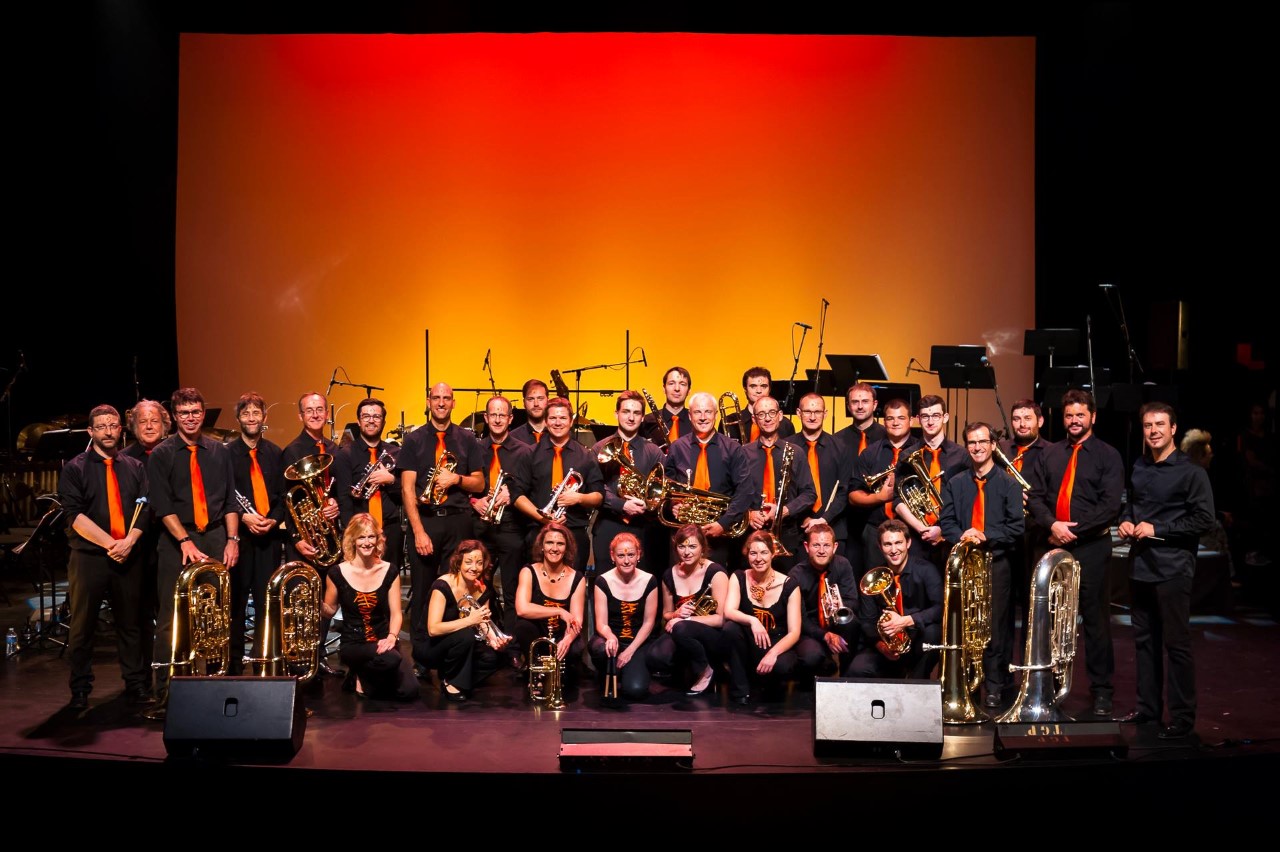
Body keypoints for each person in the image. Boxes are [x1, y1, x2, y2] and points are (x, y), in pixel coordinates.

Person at [1118, 402, 1215, 739]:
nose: (1153, 431)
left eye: (1160, 424)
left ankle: (1183, 718)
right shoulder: (1140, 467)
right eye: (1148, 425)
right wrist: (1126, 521)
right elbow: (1130, 505)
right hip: (1140, 567)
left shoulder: (1192, 472)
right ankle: (1148, 710)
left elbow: (1204, 519)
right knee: (1144, 643)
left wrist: (1156, 527)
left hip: (1173, 568)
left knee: (1176, 644)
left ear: (1174, 429)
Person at [1026, 388, 1124, 717]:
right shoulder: (1050, 454)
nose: (1074, 421)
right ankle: (1050, 688)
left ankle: (1101, 692)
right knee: (1052, 621)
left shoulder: (1108, 455)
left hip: (1092, 548)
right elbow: (1035, 497)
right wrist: (1053, 524)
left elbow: (1111, 507)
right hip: (1052, 546)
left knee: (1095, 622)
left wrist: (1072, 531)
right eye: (1069, 415)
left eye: (1080, 415)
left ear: (1093, 417)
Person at [147, 387, 239, 703]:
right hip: (177, 538)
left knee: (214, 614)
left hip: (215, 535)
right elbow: (161, 504)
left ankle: (214, 682)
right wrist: (184, 541)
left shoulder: (220, 451)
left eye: (196, 412)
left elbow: (229, 501)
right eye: (184, 413)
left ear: (203, 413)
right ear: (174, 416)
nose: (191, 418)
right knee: (172, 616)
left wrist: (232, 540)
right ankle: (164, 688)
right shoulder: (161, 454)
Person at [59, 405, 152, 710]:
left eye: (113, 426)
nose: (109, 431)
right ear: (91, 432)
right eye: (101, 427)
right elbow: (74, 515)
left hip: (128, 555)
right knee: (83, 625)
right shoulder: (75, 468)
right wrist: (112, 544)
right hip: (90, 558)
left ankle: (136, 684)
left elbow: (145, 510)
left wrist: (130, 541)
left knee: (131, 624)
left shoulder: (135, 467)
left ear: (120, 429)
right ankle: (80, 689)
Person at [938, 421, 1025, 709]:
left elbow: (1016, 528)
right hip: (964, 563)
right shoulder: (956, 483)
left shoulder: (1008, 484)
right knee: (964, 624)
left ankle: (995, 685)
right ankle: (966, 681)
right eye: (971, 443)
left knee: (994, 627)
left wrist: (985, 536)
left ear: (992, 445)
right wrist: (963, 535)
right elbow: (946, 522)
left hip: (996, 563)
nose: (977, 447)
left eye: (982, 442)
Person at [399, 383, 484, 649]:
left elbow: (480, 484)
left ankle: (451, 648)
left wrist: (456, 479)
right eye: (436, 398)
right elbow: (406, 488)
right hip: (426, 520)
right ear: (428, 402)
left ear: (454, 403)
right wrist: (418, 531)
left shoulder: (467, 439)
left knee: (456, 588)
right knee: (423, 588)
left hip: (458, 520)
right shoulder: (413, 439)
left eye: (446, 398)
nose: (441, 403)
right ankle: (422, 653)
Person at [281, 390, 352, 675]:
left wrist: (335, 504)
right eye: (309, 410)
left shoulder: (335, 451)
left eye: (319, 409)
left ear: (326, 414)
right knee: (304, 599)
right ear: (300, 416)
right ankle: (301, 658)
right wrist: (297, 539)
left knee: (329, 600)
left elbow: (343, 493)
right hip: (305, 541)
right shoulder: (291, 451)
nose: (314, 414)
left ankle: (319, 654)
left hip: (330, 540)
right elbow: (286, 500)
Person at [322, 514, 418, 701]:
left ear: (377, 539)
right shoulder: (337, 572)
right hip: (353, 643)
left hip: (382, 639)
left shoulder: (389, 570)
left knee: (410, 691)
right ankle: (358, 671)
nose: (366, 542)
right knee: (391, 660)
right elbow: (330, 610)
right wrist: (316, 604)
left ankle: (358, 676)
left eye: (371, 536)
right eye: (361, 537)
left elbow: (396, 613)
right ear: (353, 540)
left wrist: (391, 637)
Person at [226, 392, 288, 674]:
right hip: (240, 538)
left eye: (256, 413)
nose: (251, 418)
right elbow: (224, 496)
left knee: (267, 602)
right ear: (238, 418)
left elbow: (282, 498)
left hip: (269, 539)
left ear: (264, 417)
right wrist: (243, 517)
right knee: (236, 603)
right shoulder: (226, 454)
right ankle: (234, 664)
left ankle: (263, 661)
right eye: (246, 413)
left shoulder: (276, 453)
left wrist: (273, 521)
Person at [511, 396, 604, 573]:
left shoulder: (586, 455)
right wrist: (541, 518)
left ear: (571, 421)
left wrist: (578, 498)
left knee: (572, 587)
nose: (558, 422)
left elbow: (599, 496)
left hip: (574, 532)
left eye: (562, 418)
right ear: (546, 421)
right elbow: (517, 495)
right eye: (553, 418)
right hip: (538, 532)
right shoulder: (530, 454)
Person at [663, 390, 752, 567]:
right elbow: (667, 485)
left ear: (715, 415)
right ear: (689, 415)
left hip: (719, 534)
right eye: (697, 412)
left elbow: (745, 490)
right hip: (683, 533)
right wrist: (674, 504)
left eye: (708, 412)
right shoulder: (677, 447)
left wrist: (723, 523)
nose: (703, 417)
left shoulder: (733, 449)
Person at [413, 538, 509, 701]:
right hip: (430, 646)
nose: (474, 567)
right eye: (469, 562)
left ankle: (453, 675)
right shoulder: (443, 585)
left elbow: (482, 621)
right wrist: (471, 620)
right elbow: (433, 629)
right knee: (466, 636)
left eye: (479, 563)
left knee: (499, 656)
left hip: (459, 645)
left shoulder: (483, 588)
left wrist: (494, 639)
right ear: (459, 563)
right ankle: (452, 681)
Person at [846, 519, 944, 679]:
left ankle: (916, 682)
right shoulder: (873, 577)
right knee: (857, 670)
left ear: (908, 543)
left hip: (918, 641)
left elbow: (940, 608)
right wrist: (883, 647)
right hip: (888, 646)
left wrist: (907, 620)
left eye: (898, 543)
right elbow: (867, 622)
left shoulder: (926, 570)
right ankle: (895, 675)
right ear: (879, 546)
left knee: (934, 632)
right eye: (887, 544)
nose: (894, 550)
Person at [468, 394, 531, 635]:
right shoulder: (473, 449)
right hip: (481, 529)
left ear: (510, 419)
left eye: (502, 415)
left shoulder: (524, 452)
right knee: (478, 587)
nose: (497, 419)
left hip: (511, 528)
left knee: (513, 589)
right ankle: (485, 638)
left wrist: (512, 495)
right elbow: (462, 486)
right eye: (492, 414)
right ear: (485, 417)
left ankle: (513, 645)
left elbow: (531, 487)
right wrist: (474, 501)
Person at [645, 523, 729, 694]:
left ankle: (707, 669)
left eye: (692, 546)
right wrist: (675, 614)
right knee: (655, 656)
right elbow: (666, 614)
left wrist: (685, 620)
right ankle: (686, 668)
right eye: (681, 546)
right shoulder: (669, 574)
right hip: (681, 632)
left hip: (711, 634)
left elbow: (721, 619)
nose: (687, 552)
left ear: (702, 547)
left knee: (682, 628)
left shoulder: (716, 573)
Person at [590, 390, 667, 577]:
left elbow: (660, 490)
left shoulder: (654, 452)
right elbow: (595, 487)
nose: (631, 417)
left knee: (644, 584)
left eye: (636, 413)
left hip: (643, 526)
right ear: (616, 414)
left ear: (642, 418)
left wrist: (648, 503)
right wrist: (621, 504)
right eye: (626, 412)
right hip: (609, 523)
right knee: (605, 582)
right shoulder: (599, 448)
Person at [721, 530, 802, 704]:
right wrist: (753, 620)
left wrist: (773, 653)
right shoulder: (739, 576)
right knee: (730, 628)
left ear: (773, 554)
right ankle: (740, 691)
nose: (759, 558)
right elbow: (728, 611)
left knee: (782, 666)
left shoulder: (789, 584)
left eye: (764, 552)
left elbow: (794, 632)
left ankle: (768, 685)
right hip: (750, 643)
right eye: (753, 553)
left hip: (776, 643)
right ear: (747, 555)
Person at [121, 398, 169, 689]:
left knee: (169, 613)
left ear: (165, 425)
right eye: (143, 421)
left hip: (169, 542)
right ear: (133, 426)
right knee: (135, 614)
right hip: (137, 546)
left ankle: (171, 677)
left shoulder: (174, 453)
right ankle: (137, 680)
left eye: (155, 421)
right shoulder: (123, 458)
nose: (149, 426)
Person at [741, 395, 815, 571]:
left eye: (772, 413)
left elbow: (809, 493)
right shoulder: (743, 453)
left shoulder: (795, 453)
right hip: (751, 534)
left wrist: (783, 511)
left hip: (787, 535)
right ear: (754, 419)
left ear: (780, 416)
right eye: (761, 414)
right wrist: (748, 514)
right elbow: (733, 493)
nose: (767, 418)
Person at [895, 394, 967, 570]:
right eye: (925, 416)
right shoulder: (906, 455)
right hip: (917, 537)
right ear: (918, 419)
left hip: (950, 535)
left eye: (936, 415)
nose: (930, 421)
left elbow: (966, 500)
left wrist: (942, 529)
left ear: (945, 417)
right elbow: (898, 498)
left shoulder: (962, 455)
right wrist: (921, 528)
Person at [849, 398, 919, 575]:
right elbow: (853, 495)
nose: (895, 423)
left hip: (912, 531)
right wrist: (879, 497)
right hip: (876, 531)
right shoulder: (870, 453)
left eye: (901, 418)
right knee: (874, 585)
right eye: (890, 418)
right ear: (883, 421)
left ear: (911, 420)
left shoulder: (921, 451)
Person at [512, 522, 588, 683]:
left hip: (562, 634)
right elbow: (522, 609)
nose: (554, 548)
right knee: (522, 627)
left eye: (560, 543)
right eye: (549, 543)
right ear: (541, 546)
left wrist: (567, 640)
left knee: (574, 651)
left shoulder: (577, 578)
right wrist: (559, 611)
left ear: (566, 548)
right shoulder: (528, 571)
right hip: (537, 634)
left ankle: (561, 670)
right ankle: (535, 667)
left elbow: (577, 620)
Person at [589, 531, 659, 703]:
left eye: (631, 555)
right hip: (612, 640)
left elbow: (648, 622)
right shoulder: (602, 581)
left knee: (635, 690)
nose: (626, 560)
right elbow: (601, 623)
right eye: (621, 555)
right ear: (613, 556)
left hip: (637, 643)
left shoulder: (650, 580)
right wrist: (610, 636)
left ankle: (623, 672)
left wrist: (629, 651)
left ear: (638, 555)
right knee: (599, 648)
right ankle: (607, 671)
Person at [341, 397, 404, 578]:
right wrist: (350, 535)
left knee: (390, 581)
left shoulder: (395, 453)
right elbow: (344, 500)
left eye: (376, 416)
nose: (371, 420)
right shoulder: (346, 454)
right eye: (366, 416)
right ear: (359, 421)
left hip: (390, 529)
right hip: (359, 533)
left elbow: (405, 495)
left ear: (383, 421)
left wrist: (390, 480)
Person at [788, 521, 859, 676]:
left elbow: (853, 601)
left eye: (826, 545)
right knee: (811, 657)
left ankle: (848, 677)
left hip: (837, 624)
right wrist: (824, 635)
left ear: (834, 547)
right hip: (810, 630)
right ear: (807, 547)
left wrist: (840, 605)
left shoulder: (843, 564)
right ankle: (821, 668)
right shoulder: (796, 575)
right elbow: (801, 620)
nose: (821, 551)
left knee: (852, 624)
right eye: (816, 546)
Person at [786, 392, 852, 555]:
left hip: (833, 528)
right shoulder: (787, 447)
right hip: (797, 530)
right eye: (808, 412)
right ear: (799, 413)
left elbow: (844, 491)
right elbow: (785, 492)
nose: (813, 417)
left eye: (817, 412)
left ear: (825, 414)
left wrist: (823, 519)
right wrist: (804, 519)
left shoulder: (841, 447)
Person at [735, 367, 796, 442]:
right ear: (745, 390)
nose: (759, 391)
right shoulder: (731, 421)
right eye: (753, 386)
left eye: (763, 386)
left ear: (769, 389)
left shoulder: (786, 424)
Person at [836, 382, 887, 459]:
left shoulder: (887, 437)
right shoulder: (837, 440)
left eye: (865, 401)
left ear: (875, 405)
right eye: (855, 402)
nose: (860, 406)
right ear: (848, 406)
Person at [509, 379, 550, 447]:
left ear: (548, 401)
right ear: (524, 403)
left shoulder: (559, 435)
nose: (536, 404)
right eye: (530, 399)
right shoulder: (512, 438)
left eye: (540, 398)